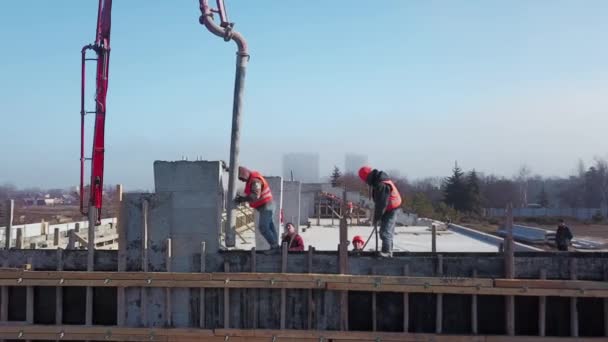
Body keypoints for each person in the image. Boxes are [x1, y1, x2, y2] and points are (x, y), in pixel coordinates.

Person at [358, 166, 402, 257]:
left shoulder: (381, 184)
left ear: (367, 177)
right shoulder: (378, 180)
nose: (366, 183)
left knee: (385, 231)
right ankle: (388, 250)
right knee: (386, 231)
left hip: (392, 208)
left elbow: (381, 204)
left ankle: (387, 252)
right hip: (389, 207)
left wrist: (377, 218)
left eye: (365, 180)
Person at [235, 166, 279, 252]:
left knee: (263, 227)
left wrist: (242, 199)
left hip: (266, 205)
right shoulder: (251, 179)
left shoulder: (255, 181)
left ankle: (275, 247)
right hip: (267, 205)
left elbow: (255, 196)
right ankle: (276, 247)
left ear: (245, 174)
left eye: (242, 178)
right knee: (270, 227)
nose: (242, 181)